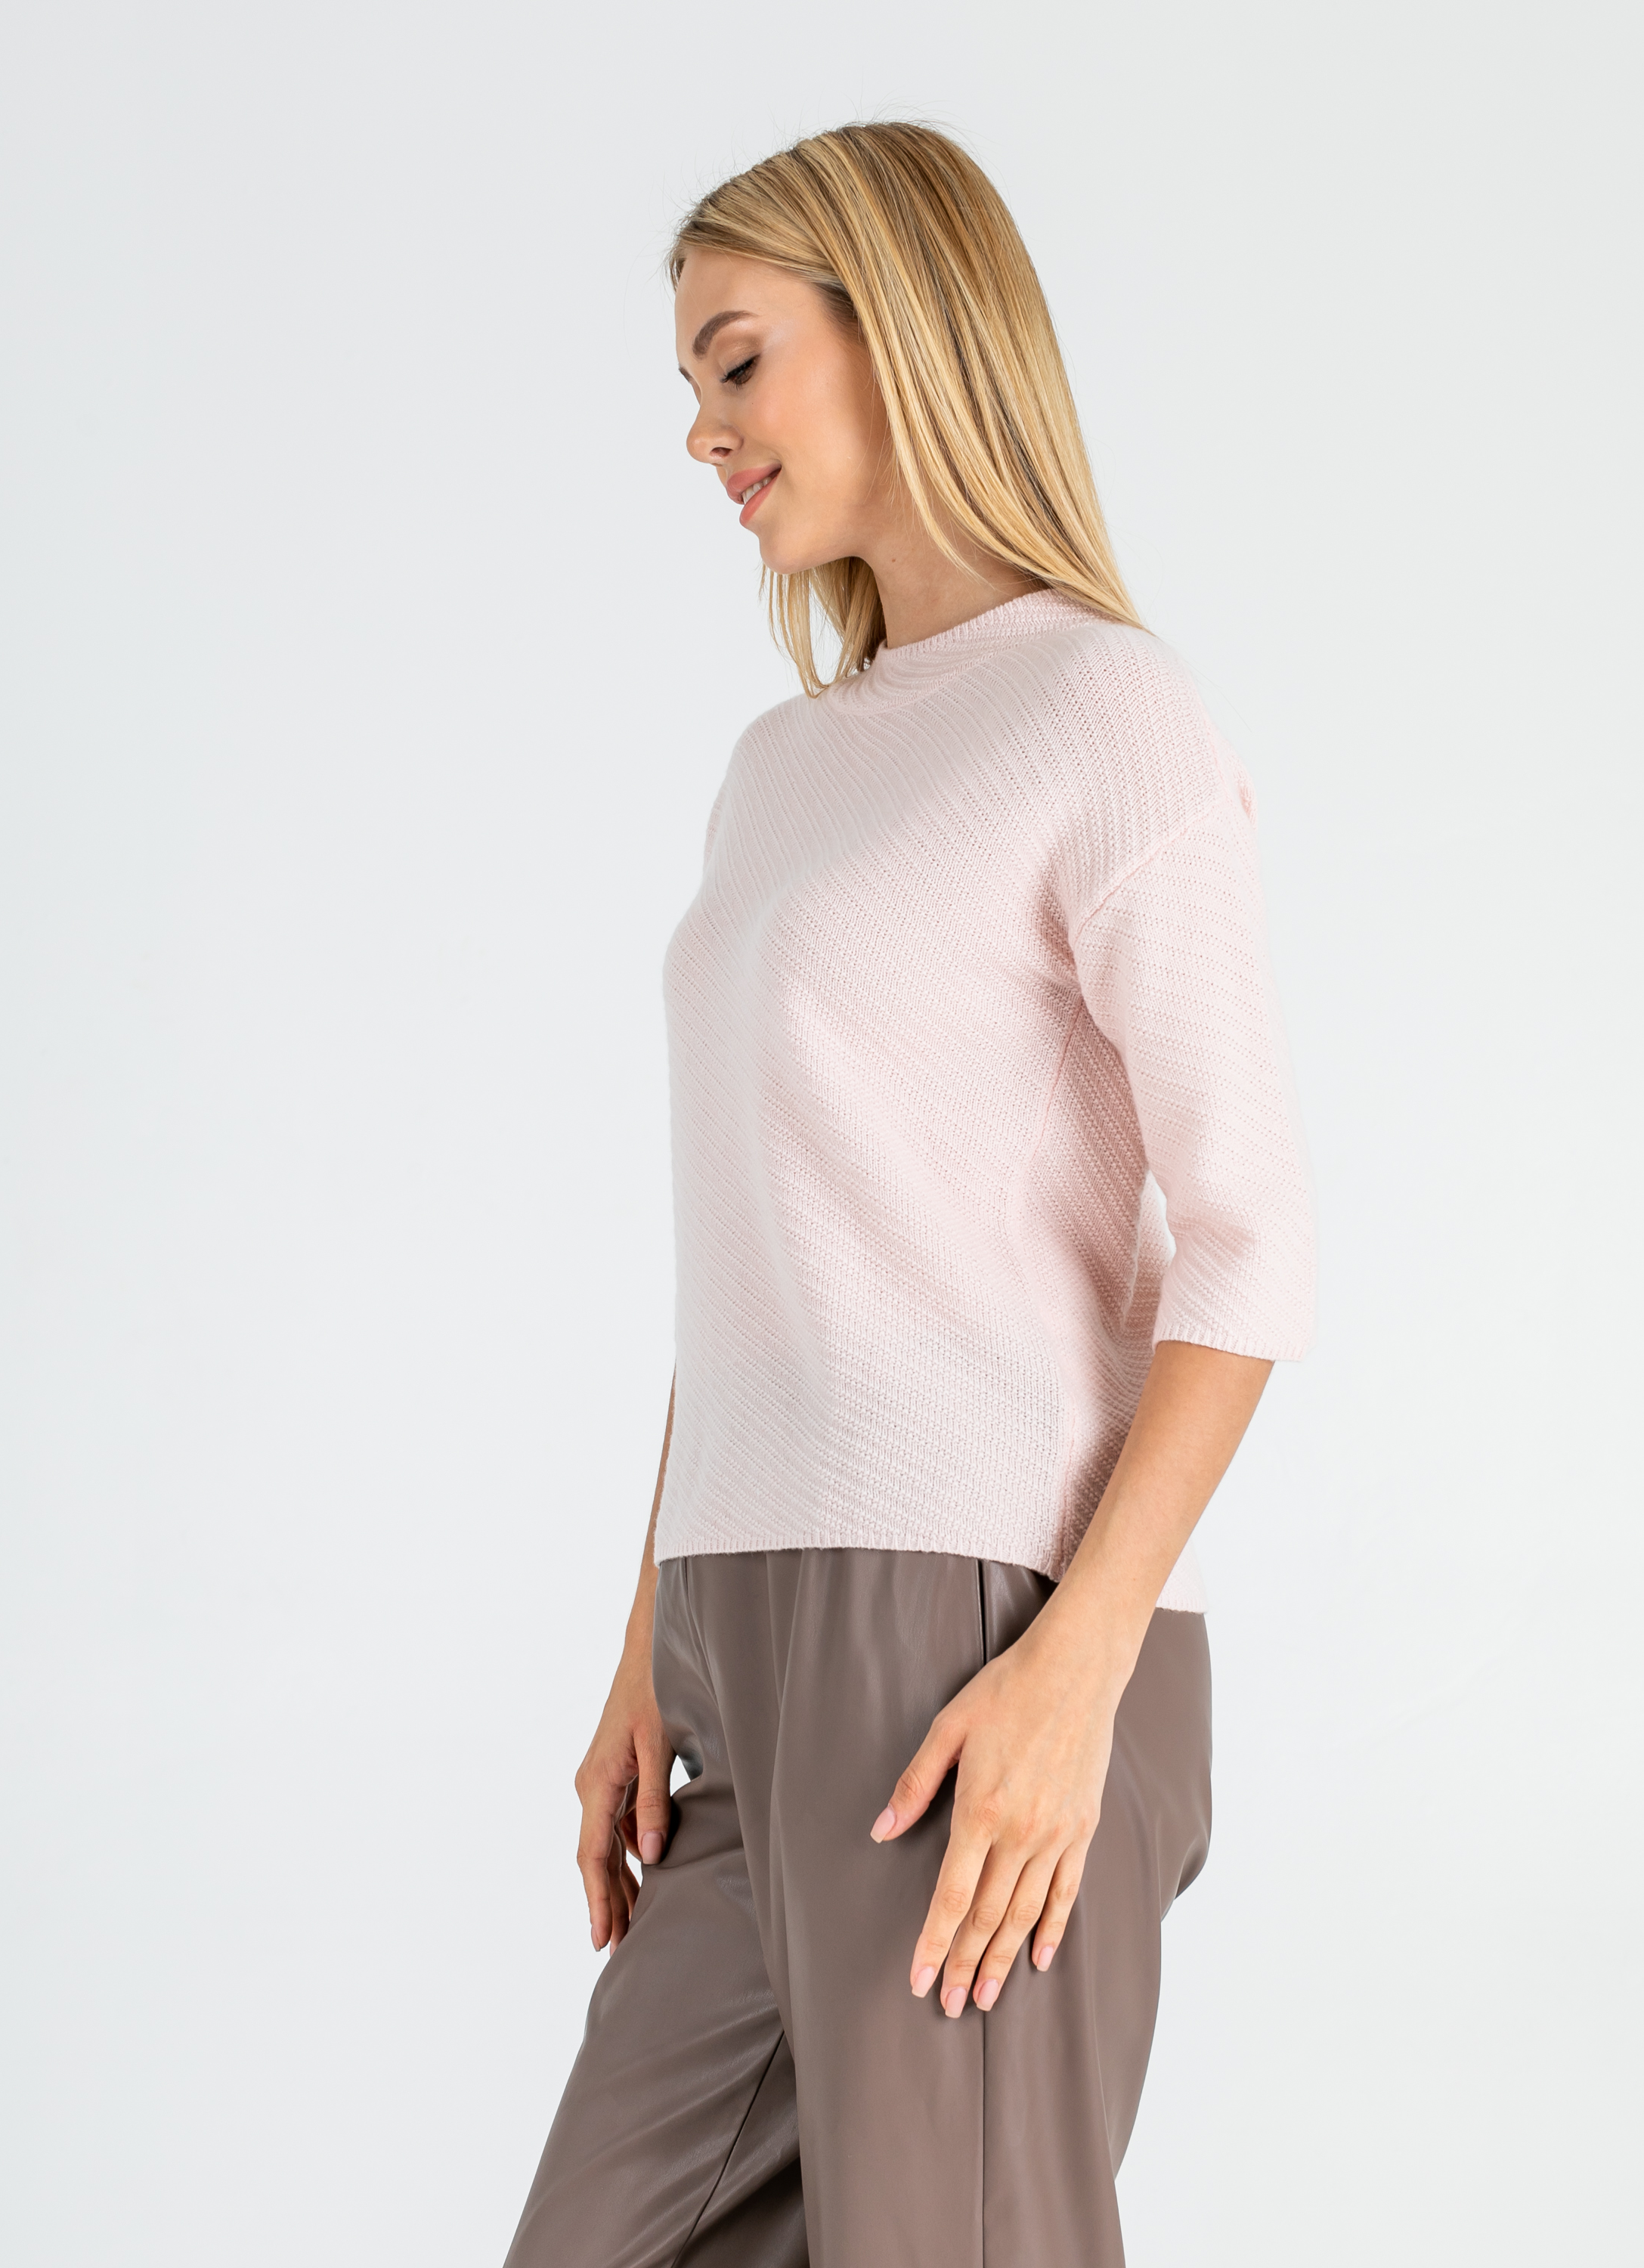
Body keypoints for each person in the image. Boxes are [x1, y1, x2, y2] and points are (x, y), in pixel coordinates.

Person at [503, 122, 1316, 2268]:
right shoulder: (784, 766)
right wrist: (646, 1653)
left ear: (906, 330)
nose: (703, 433)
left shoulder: (1106, 715)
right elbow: (758, 1254)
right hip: (740, 1635)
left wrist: (1077, 1667)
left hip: (975, 1629)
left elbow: (1252, 1238)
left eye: (737, 362)